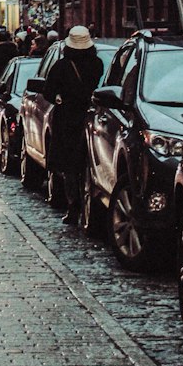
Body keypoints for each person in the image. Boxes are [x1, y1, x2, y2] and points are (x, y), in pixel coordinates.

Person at [43, 25, 104, 224]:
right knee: (87, 163)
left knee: (69, 167)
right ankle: (87, 203)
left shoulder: (61, 66)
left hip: (68, 119)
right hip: (90, 117)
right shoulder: (98, 64)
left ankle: (73, 206)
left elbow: (48, 91)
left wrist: (60, 97)